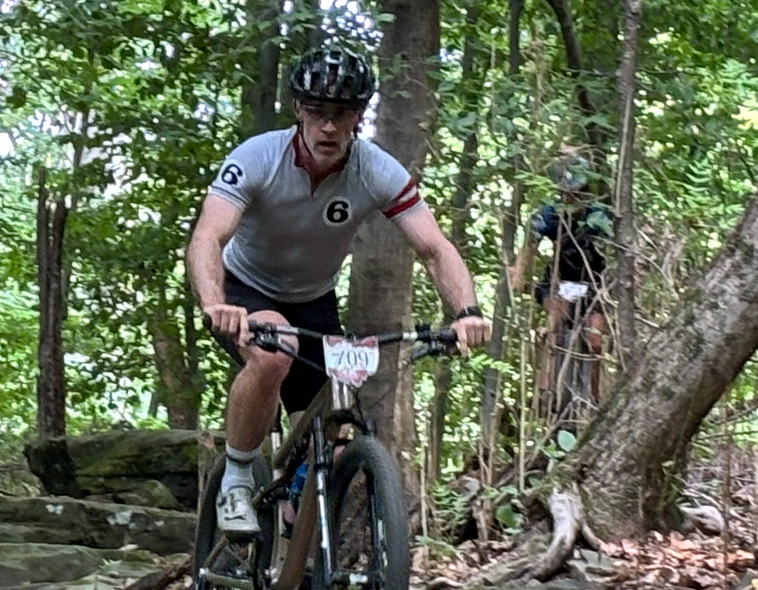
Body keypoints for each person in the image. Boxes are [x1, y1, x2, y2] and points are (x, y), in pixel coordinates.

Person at [186, 46, 491, 536]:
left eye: (343, 113)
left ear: (359, 116)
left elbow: (434, 248)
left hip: (314, 299)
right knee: (274, 352)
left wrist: (466, 312)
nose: (329, 126)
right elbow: (208, 235)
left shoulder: (375, 170)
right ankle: (238, 478)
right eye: (317, 111)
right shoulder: (258, 157)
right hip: (245, 287)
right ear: (298, 110)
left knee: (334, 432)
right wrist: (213, 302)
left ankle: (298, 541)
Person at [512, 153, 614, 417]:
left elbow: (616, 251)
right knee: (553, 327)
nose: (571, 197)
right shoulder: (549, 213)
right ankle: (545, 395)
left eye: (576, 192)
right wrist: (519, 275)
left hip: (593, 285)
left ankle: (595, 399)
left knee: (595, 339)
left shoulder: (599, 215)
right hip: (559, 282)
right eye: (566, 192)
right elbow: (529, 246)